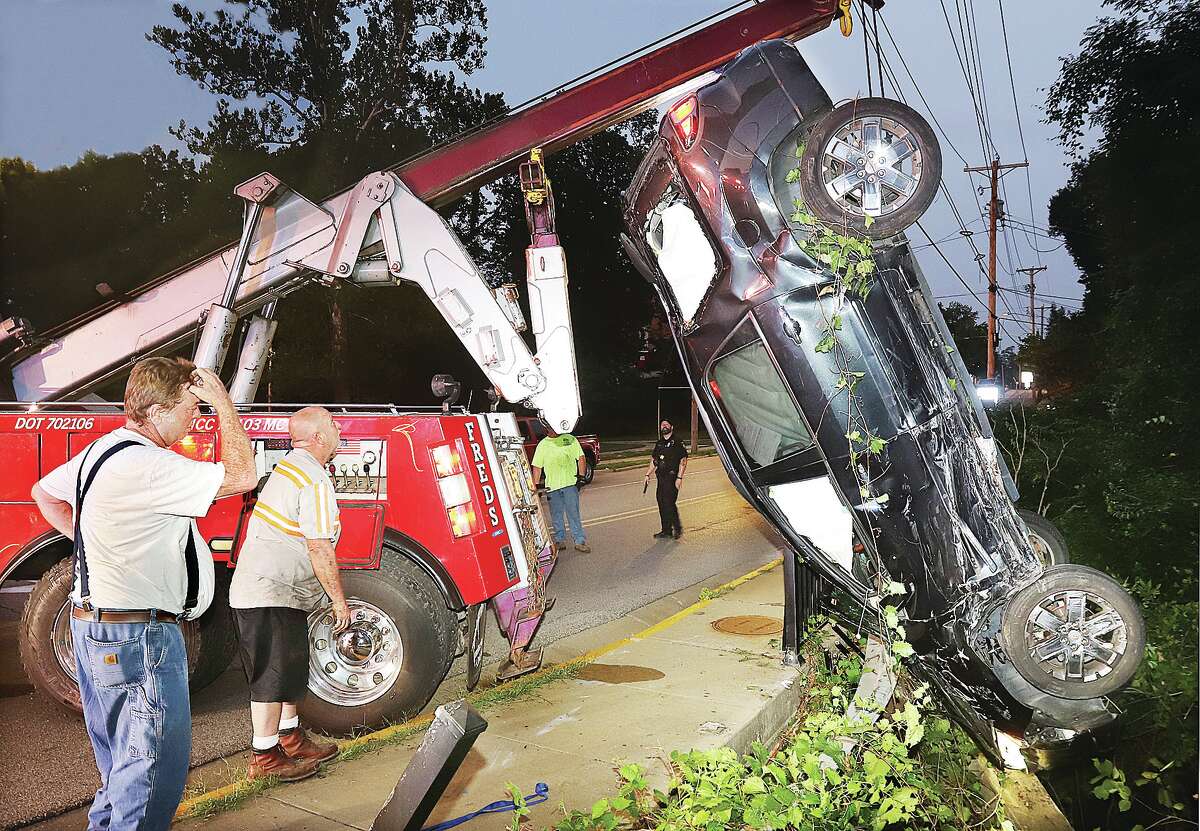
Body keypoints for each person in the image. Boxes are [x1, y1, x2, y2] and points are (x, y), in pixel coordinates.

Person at [31, 358, 256, 831]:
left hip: (95, 629)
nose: (196, 418)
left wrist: (96, 542)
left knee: (121, 766)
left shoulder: (102, 451)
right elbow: (242, 476)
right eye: (191, 408)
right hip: (139, 639)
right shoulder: (149, 465)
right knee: (151, 775)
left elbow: (44, 492)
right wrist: (225, 404)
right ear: (156, 411)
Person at [229, 406, 350, 781]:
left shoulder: (295, 466)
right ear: (317, 437)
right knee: (271, 676)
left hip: (281, 590)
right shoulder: (312, 478)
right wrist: (338, 599)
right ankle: (264, 758)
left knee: (290, 670)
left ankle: (291, 738)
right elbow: (319, 546)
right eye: (332, 424)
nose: (338, 428)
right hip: (269, 590)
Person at [530, 424, 591, 553]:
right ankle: (560, 540)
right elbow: (537, 466)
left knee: (573, 513)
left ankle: (579, 541)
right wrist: (535, 486)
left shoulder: (569, 439)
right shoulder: (543, 445)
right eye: (549, 429)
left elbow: (581, 458)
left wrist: (581, 477)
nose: (552, 431)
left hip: (570, 484)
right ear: (546, 429)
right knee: (556, 514)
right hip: (552, 486)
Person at [644, 418, 689, 539]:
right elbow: (654, 461)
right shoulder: (659, 443)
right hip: (661, 478)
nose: (663, 426)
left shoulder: (677, 442)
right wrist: (648, 474)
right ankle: (666, 530)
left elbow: (683, 460)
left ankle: (677, 528)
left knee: (669, 503)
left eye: (666, 424)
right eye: (662, 425)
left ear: (671, 427)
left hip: (672, 477)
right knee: (661, 503)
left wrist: (679, 478)